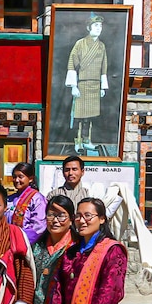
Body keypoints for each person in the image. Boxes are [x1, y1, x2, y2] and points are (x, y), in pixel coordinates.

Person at [65, 13, 107, 152]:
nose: (98, 28)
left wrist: (102, 86)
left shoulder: (101, 46)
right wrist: (74, 86)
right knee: (79, 116)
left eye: (100, 26)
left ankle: (87, 140)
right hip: (81, 85)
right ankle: (77, 142)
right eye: (96, 25)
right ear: (89, 27)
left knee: (90, 116)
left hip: (95, 86)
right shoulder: (80, 44)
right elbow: (71, 64)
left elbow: (103, 67)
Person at [47, 155, 122, 219]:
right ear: (63, 172)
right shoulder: (54, 194)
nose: (70, 173)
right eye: (67, 170)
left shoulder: (89, 193)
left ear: (82, 172)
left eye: (74, 169)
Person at [7, 162, 47, 244]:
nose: (16, 180)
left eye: (20, 177)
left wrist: (21, 240)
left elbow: (39, 226)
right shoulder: (10, 199)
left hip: (27, 242)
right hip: (8, 240)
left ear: (30, 178)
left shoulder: (37, 198)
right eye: (14, 177)